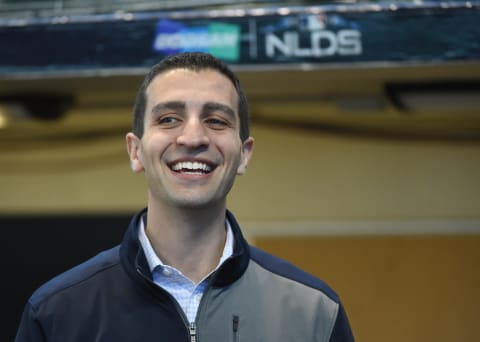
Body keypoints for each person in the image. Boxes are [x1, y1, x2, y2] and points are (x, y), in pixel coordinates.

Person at [15, 52, 354, 342]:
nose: (193, 137)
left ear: (244, 155)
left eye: (216, 120)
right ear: (135, 151)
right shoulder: (57, 313)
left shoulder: (314, 312)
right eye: (169, 119)